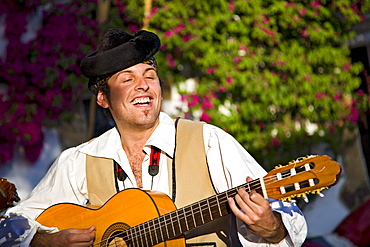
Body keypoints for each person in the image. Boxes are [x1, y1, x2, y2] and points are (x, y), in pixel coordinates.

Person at [1, 28, 307, 246]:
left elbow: (284, 216)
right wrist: (44, 241)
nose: (144, 85)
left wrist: (271, 227)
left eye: (149, 76)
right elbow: (9, 227)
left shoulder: (209, 141)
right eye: (127, 79)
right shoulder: (77, 162)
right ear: (103, 98)